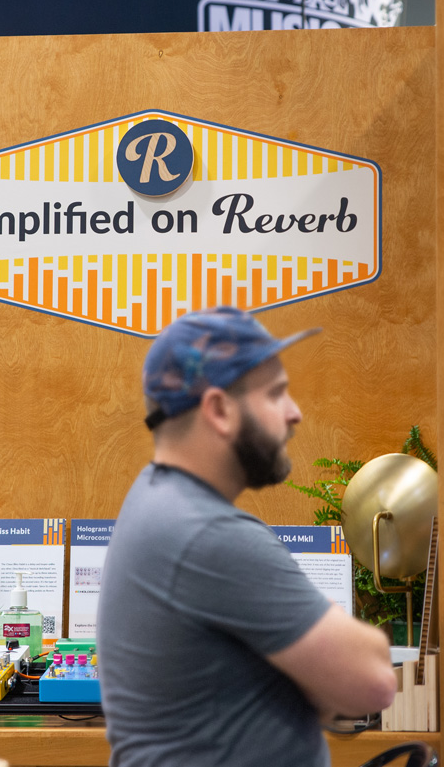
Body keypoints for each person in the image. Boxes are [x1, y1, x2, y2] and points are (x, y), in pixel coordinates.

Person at [97, 307, 397, 767]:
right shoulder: (207, 536)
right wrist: (322, 669)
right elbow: (373, 681)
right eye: (276, 394)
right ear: (219, 410)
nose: (295, 413)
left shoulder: (155, 498)